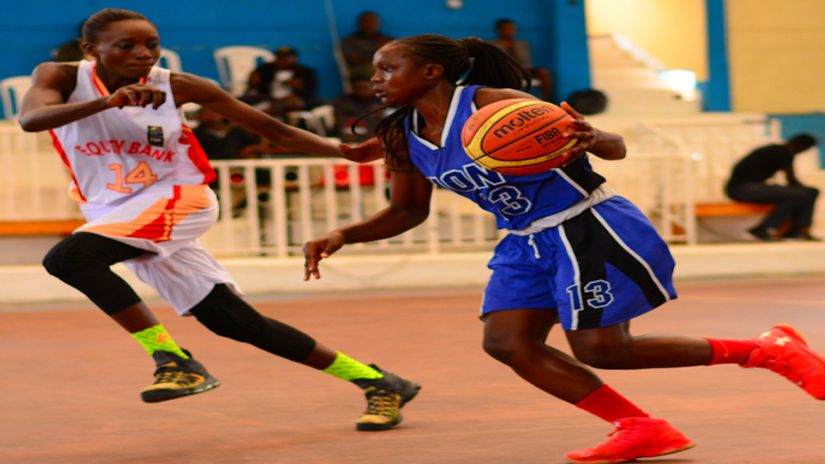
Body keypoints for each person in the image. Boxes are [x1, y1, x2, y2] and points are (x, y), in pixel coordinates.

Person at [302, 34, 825, 462]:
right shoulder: (403, 137)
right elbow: (406, 211)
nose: (374, 80)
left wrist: (592, 136)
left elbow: (614, 147)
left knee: (604, 350)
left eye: (387, 69)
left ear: (432, 73)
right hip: (523, 240)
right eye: (375, 71)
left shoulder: (494, 105)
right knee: (508, 343)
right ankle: (641, 426)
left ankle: (766, 350)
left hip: (585, 224)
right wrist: (344, 234)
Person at [19, 8, 418, 432]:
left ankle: (173, 360)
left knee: (70, 259)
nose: (143, 54)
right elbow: (30, 119)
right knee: (232, 320)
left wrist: (342, 150)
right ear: (90, 50)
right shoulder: (60, 77)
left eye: (151, 44)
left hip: (177, 197)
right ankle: (379, 382)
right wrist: (108, 101)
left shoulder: (177, 85)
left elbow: (272, 130)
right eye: (126, 46)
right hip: (114, 211)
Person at [726, 134, 819, 241]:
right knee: (799, 194)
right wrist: (802, 190)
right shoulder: (783, 151)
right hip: (741, 189)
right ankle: (765, 228)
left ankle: (798, 230)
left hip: (748, 188)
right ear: (803, 146)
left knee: (807, 193)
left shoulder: (776, 150)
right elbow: (791, 180)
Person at [241, 46, 319, 118]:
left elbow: (310, 93)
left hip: (290, 102)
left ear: (295, 58)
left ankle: (261, 118)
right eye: (280, 57)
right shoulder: (265, 69)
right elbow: (256, 87)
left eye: (287, 57)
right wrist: (254, 81)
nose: (283, 60)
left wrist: (298, 88)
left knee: (294, 103)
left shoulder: (305, 72)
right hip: (268, 100)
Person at [490, 18, 554, 101]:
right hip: (503, 71)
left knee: (543, 72)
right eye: (506, 28)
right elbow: (495, 63)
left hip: (523, 70)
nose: (510, 31)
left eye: (511, 28)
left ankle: (547, 100)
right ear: (499, 30)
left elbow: (526, 61)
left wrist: (521, 69)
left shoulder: (522, 44)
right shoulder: (493, 45)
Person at [340, 11, 394, 81]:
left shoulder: (388, 40)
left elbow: (393, 59)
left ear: (379, 23)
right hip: (359, 71)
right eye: (366, 22)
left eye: (373, 22)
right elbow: (354, 61)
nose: (369, 25)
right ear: (359, 23)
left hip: (384, 70)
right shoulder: (349, 41)